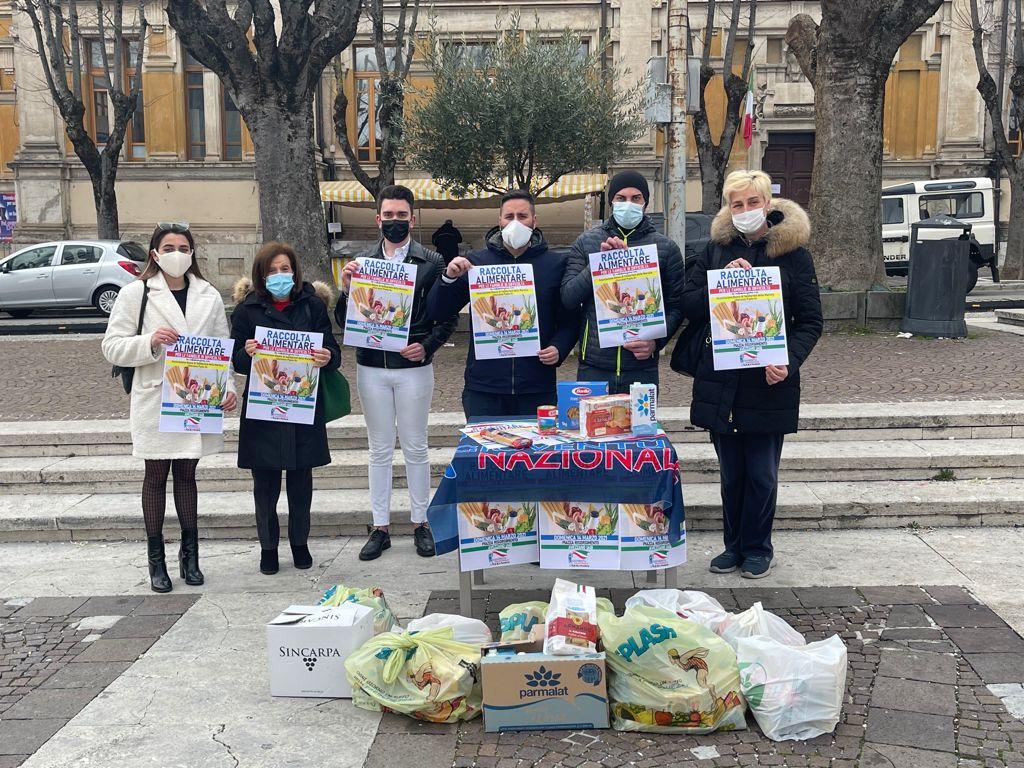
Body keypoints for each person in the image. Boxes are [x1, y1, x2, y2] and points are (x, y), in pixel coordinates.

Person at [681, 170, 823, 579]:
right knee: (732, 475)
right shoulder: (715, 251)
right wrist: (721, 282)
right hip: (722, 382)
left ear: (767, 204)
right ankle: (733, 546)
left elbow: (810, 321)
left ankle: (759, 548)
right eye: (737, 204)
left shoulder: (794, 255)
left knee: (761, 474)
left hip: (768, 383)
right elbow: (688, 304)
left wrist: (788, 361)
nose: (745, 210)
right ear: (729, 208)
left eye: (752, 202)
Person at [102, 222, 238, 593]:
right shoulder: (136, 293)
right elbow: (112, 347)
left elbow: (221, 348)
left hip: (196, 400)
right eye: (169, 248)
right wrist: (150, 341)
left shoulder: (208, 295)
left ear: (192, 253)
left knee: (187, 474)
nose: (176, 254)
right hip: (157, 398)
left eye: (183, 247)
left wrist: (228, 389)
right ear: (155, 254)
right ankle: (156, 560)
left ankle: (190, 557)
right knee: (156, 474)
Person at [335, 185, 459, 562]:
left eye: (401, 215)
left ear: (412, 219)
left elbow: (447, 314)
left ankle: (421, 522)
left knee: (416, 446)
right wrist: (347, 291)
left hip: (413, 367)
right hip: (372, 367)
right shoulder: (362, 263)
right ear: (378, 219)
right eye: (388, 215)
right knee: (378, 448)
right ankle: (380, 527)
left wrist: (428, 345)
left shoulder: (431, 262)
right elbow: (344, 321)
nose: (394, 221)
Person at [231, 242, 342, 575]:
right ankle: (268, 548)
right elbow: (235, 360)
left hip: (301, 407)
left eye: (285, 269)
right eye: (272, 270)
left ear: (294, 272)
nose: (279, 275)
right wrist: (247, 353)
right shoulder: (246, 310)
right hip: (263, 409)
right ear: (261, 275)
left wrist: (326, 356)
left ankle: (299, 543)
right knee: (264, 486)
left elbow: (333, 353)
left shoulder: (313, 305)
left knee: (301, 482)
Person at [427, 190, 580, 418]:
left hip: (536, 387)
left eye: (522, 216)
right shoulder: (476, 262)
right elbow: (437, 311)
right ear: (500, 221)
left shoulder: (555, 264)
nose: (515, 223)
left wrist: (559, 347)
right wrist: (448, 278)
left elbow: (571, 318)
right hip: (484, 389)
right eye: (509, 217)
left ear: (534, 221)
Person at [561, 170, 686, 394]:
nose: (628, 204)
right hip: (594, 367)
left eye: (636, 198)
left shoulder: (666, 248)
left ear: (645, 203)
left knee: (640, 420)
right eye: (621, 198)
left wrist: (656, 343)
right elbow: (568, 298)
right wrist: (598, 265)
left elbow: (676, 306)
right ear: (611, 202)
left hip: (641, 368)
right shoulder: (586, 242)